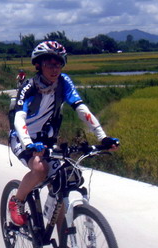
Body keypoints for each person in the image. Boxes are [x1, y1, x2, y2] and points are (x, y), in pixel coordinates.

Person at [8, 40, 119, 226]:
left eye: (58, 64)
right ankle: (17, 201)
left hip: (46, 140)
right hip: (22, 138)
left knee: (63, 180)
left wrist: (103, 137)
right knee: (40, 169)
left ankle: (64, 241)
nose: (54, 69)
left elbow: (81, 109)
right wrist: (28, 144)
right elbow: (19, 118)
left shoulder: (63, 82)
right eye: (49, 64)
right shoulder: (29, 87)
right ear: (38, 65)